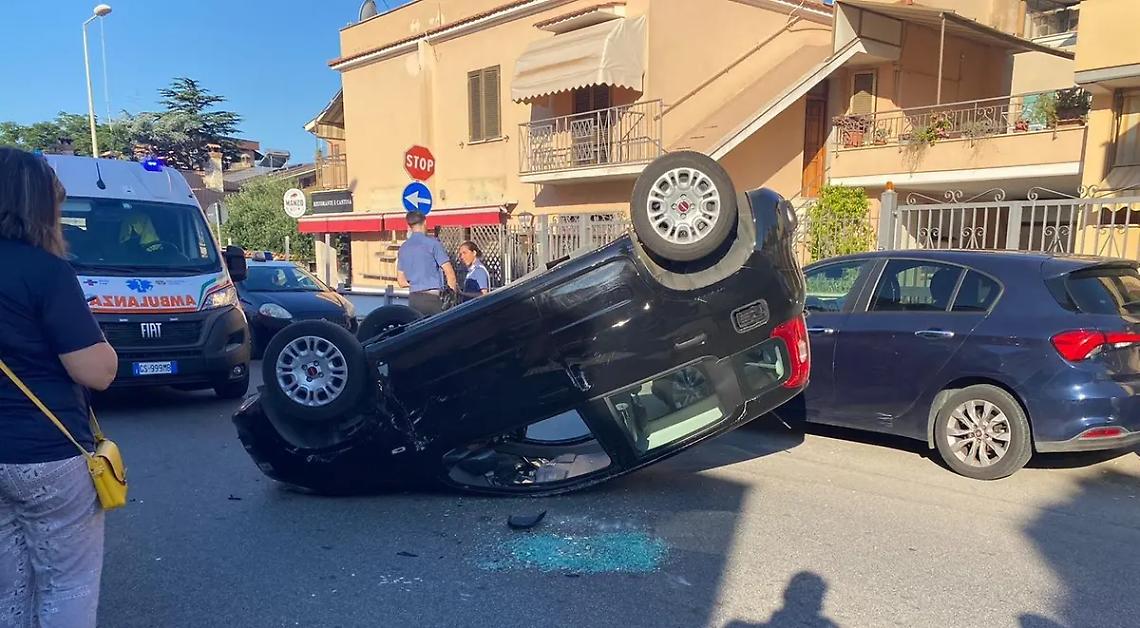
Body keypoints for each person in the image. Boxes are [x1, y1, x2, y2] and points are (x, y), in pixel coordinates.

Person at [0, 147, 119, 628]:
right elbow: (97, 371)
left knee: (9, 585)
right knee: (66, 581)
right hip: (46, 453)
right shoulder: (44, 271)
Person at [396, 210, 458, 315]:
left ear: (410, 226)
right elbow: (450, 273)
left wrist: (417, 284)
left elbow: (401, 281)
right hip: (433, 297)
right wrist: (452, 297)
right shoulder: (433, 244)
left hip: (414, 298)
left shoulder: (403, 248)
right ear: (425, 223)